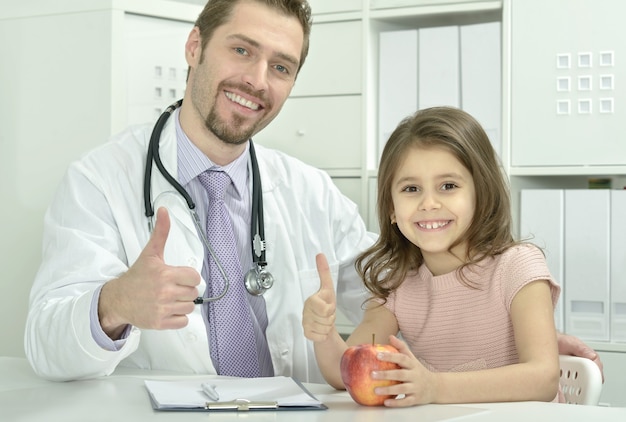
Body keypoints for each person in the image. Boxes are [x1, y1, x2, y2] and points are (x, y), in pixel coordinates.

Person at [24, 0, 602, 384]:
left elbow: (393, 285)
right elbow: (45, 344)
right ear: (195, 46)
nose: (257, 81)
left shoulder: (306, 190)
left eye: (282, 66)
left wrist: (499, 325)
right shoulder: (101, 181)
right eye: (242, 50)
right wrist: (116, 304)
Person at [303, 106, 569, 406]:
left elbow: (543, 379)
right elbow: (345, 372)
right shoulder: (397, 283)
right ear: (392, 209)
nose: (428, 203)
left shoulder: (518, 266)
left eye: (448, 186)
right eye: (411, 188)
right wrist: (323, 333)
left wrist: (435, 387)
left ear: (481, 193)